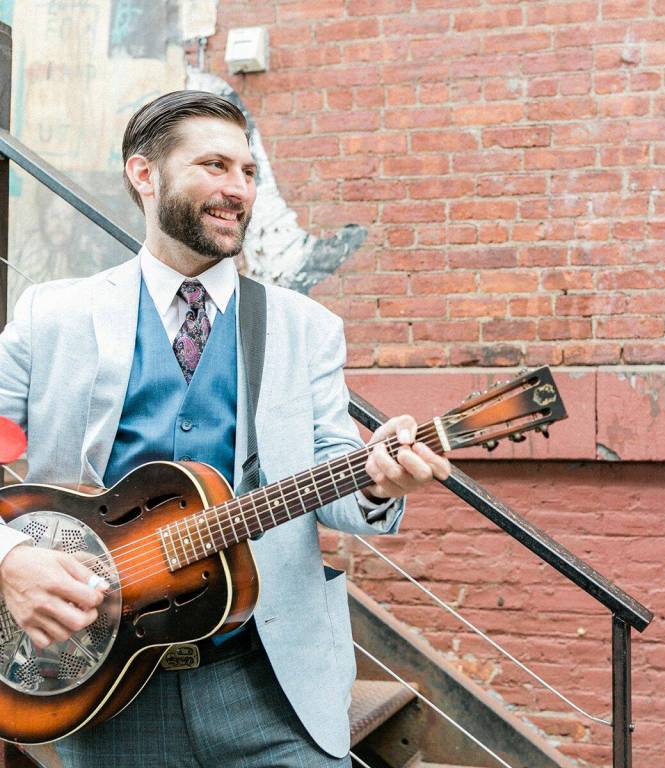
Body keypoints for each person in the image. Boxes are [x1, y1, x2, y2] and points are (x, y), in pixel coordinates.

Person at [0, 90, 450, 767]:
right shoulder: (52, 317)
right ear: (144, 174)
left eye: (248, 171)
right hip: (105, 689)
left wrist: (378, 481)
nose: (238, 189)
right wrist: (10, 560)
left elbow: (332, 471)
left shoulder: (306, 328)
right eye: (214, 165)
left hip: (272, 689)